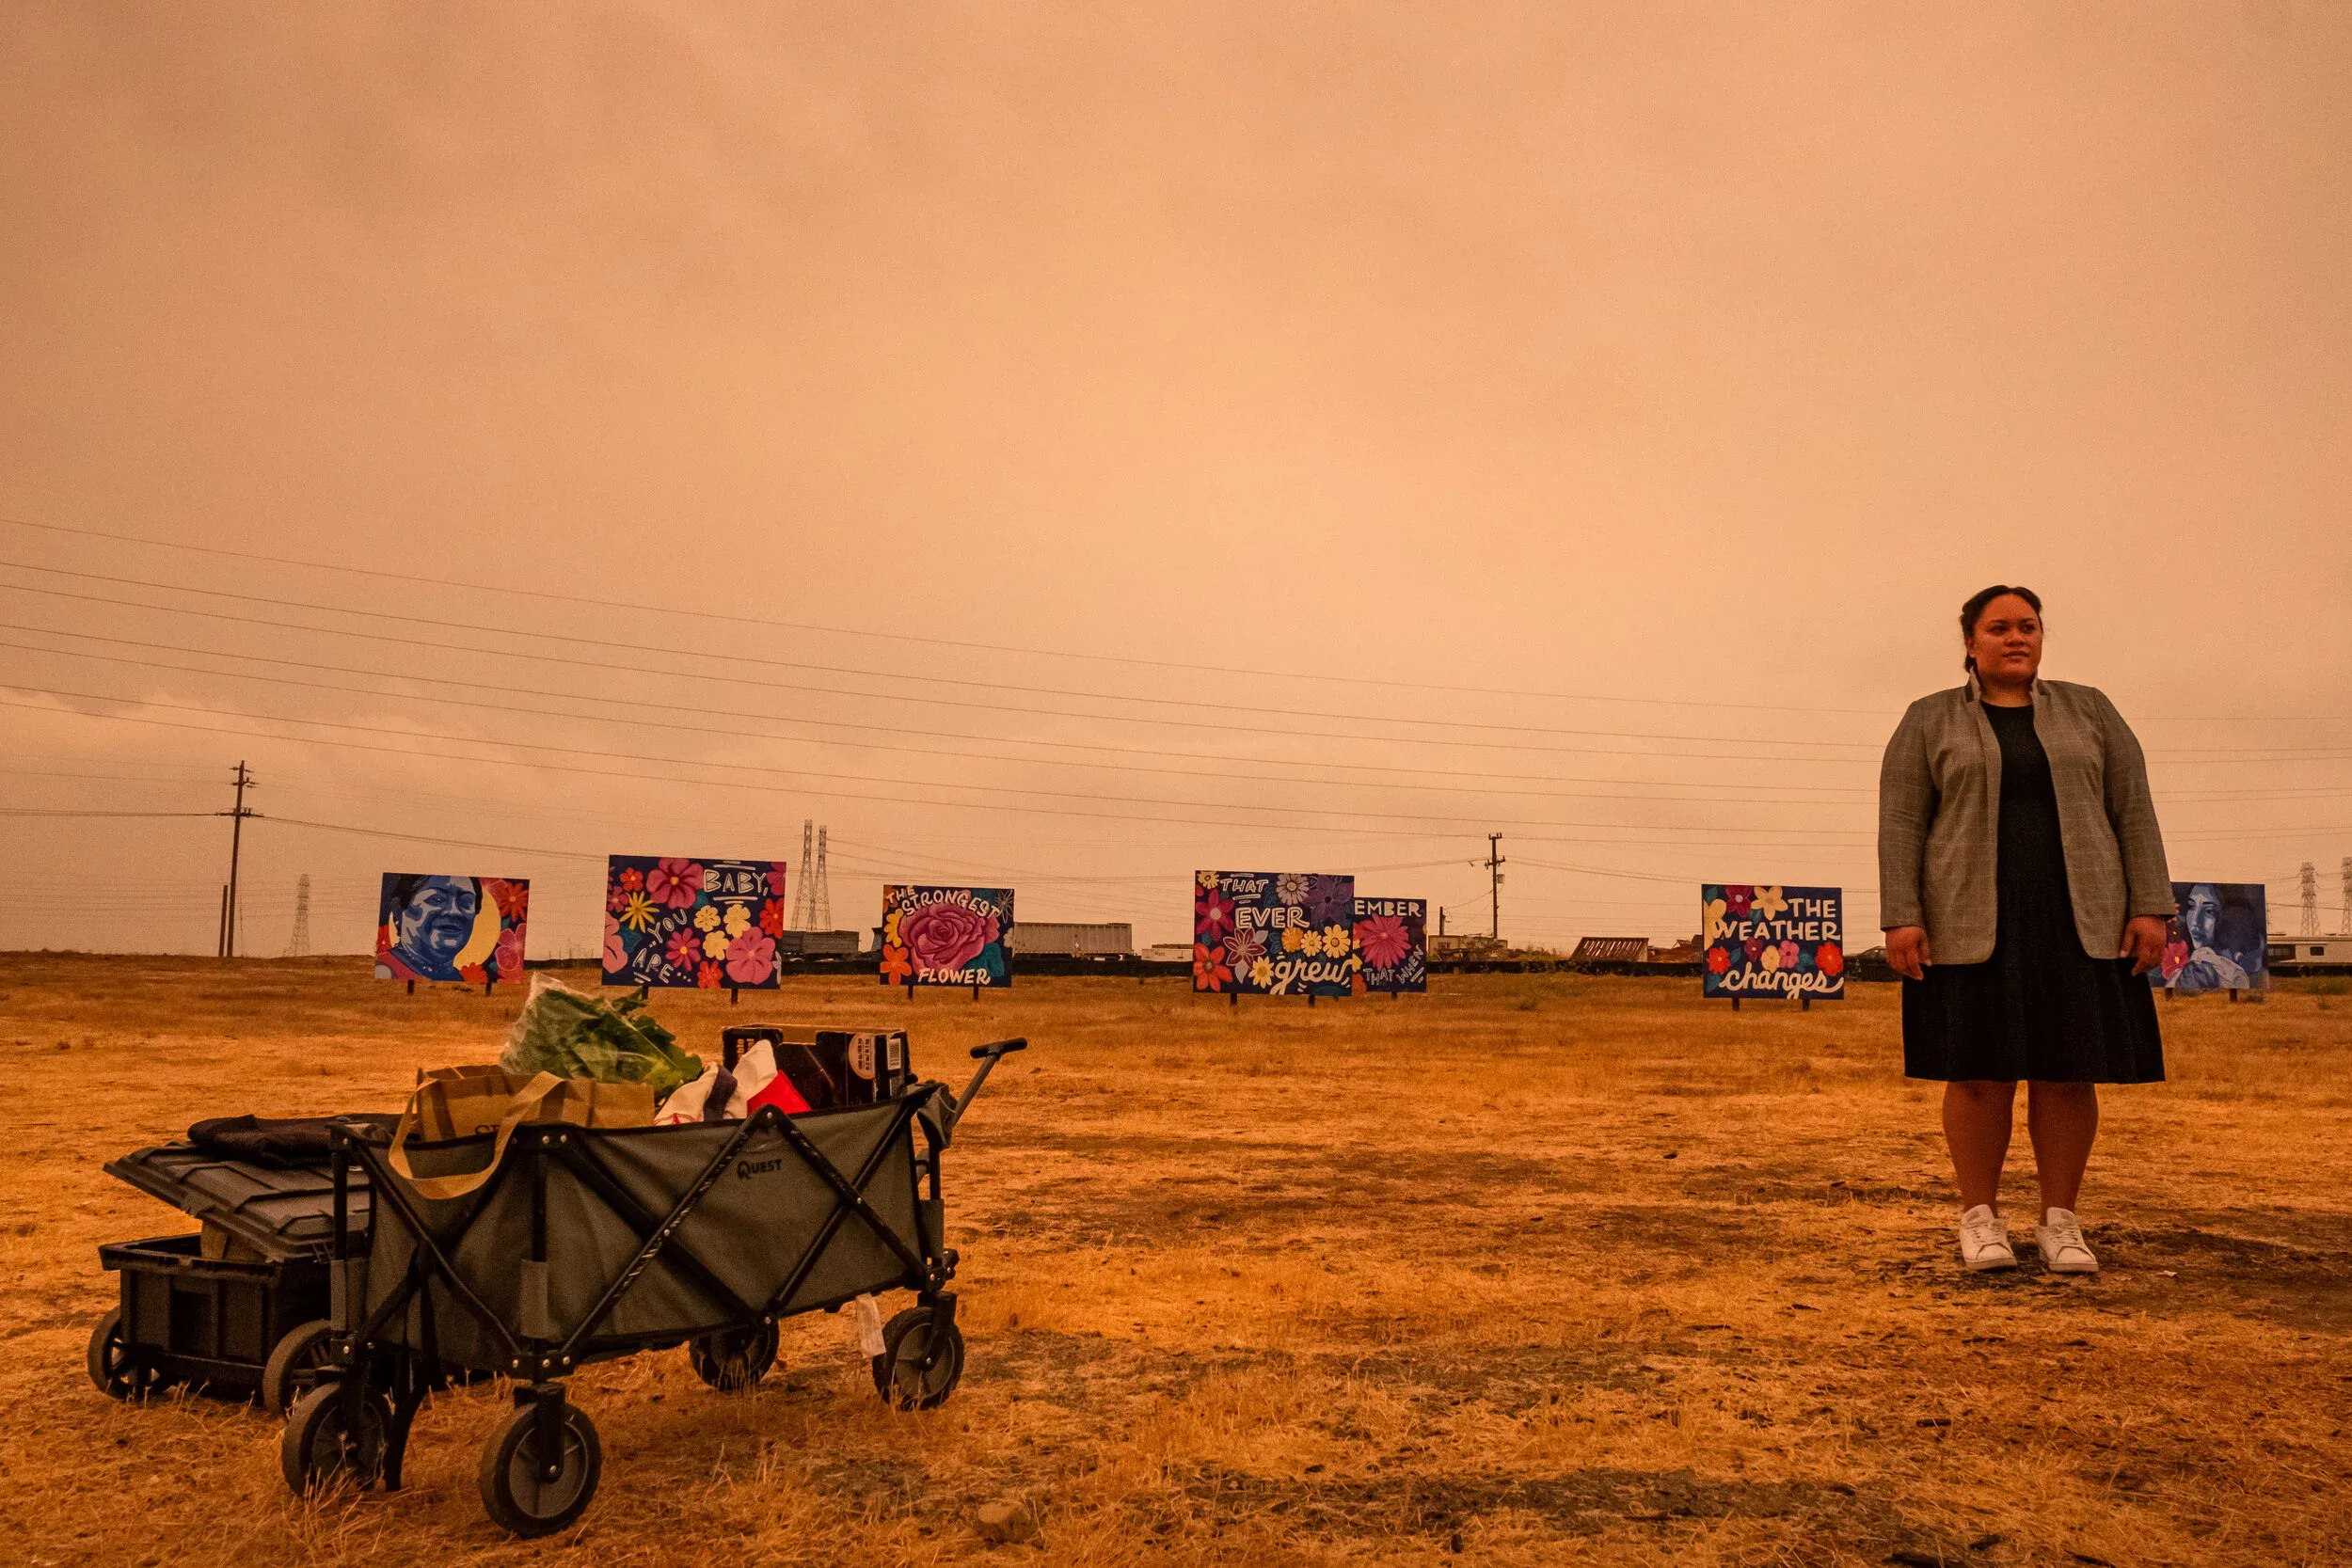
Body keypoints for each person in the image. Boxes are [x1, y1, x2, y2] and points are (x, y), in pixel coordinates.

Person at [1877, 586, 2174, 1275]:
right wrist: (1902, 914)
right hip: (1966, 921)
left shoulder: (2091, 709)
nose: (2018, 638)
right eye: (2000, 627)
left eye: (2030, 626)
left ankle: (2060, 1223)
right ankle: (1979, 1220)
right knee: (1978, 1073)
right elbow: (1900, 823)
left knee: (2069, 1072)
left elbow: (2134, 808)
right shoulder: (1928, 719)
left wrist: (2150, 905)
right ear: (1970, 643)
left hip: (2082, 920)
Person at [378, 875, 483, 983]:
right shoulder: (383, 970)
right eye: (437, 899)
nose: (454, 911)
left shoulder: (460, 980)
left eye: (466, 902)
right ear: (398, 911)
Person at [2169, 883, 2250, 996]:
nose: (2195, 922)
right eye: (2191, 907)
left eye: (2209, 911)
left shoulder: (2236, 977)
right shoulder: (2176, 977)